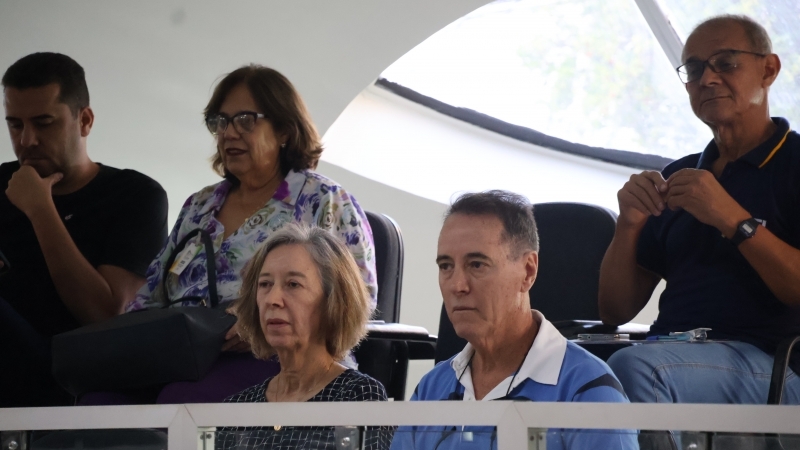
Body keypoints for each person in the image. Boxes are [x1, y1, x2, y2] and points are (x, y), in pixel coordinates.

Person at [126, 64, 377, 403]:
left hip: (278, 358)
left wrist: (258, 323)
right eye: (220, 122)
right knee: (99, 400)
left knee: (179, 399)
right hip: (181, 355)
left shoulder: (323, 199)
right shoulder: (199, 206)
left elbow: (357, 299)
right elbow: (151, 293)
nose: (228, 133)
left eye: (245, 120)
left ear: (284, 130)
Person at [599, 15, 800, 405]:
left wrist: (732, 218)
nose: (707, 78)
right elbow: (614, 311)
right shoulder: (679, 175)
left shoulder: (794, 163)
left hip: (777, 365)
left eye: (725, 63)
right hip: (671, 351)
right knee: (558, 366)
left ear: (768, 70)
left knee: (638, 369)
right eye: (694, 69)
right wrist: (629, 225)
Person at [394, 191, 636, 450]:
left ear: (528, 271)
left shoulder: (588, 390)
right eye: (446, 266)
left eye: (477, 265)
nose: (457, 285)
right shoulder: (431, 388)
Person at [0, 52, 168, 407]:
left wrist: (40, 209)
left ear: (85, 120)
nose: (27, 140)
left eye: (44, 123)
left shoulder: (135, 195)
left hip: (76, 376)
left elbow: (106, 315)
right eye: (15, 125)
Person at [216, 224, 391, 450]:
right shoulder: (237, 409)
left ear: (333, 301)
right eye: (265, 284)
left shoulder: (357, 397)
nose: (272, 299)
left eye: (293, 284)